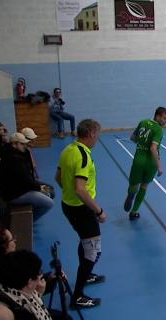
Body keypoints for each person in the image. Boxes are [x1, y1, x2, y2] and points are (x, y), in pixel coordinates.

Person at [55, 119, 105, 308]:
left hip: (68, 205)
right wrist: (98, 210)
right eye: (97, 134)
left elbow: (58, 177)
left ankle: (87, 275)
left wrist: (67, 192)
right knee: (93, 251)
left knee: (85, 242)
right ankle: (77, 297)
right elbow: (80, 189)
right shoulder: (83, 155)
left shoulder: (68, 149)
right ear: (91, 133)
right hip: (81, 208)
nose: (97, 138)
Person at [123, 107, 166, 220]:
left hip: (138, 160)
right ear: (157, 116)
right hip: (151, 163)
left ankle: (131, 193)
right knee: (144, 186)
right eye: (164, 118)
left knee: (134, 184)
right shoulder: (158, 129)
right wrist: (159, 166)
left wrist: (142, 142)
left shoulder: (142, 122)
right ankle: (134, 212)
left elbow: (132, 138)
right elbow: (153, 148)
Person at [0, 133, 53, 221]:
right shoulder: (14, 159)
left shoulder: (15, 153)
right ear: (14, 144)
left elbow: (26, 177)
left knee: (49, 191)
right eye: (22, 144)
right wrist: (39, 187)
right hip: (14, 194)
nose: (25, 146)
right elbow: (25, 179)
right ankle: (29, 221)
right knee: (49, 202)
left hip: (18, 188)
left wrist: (37, 186)